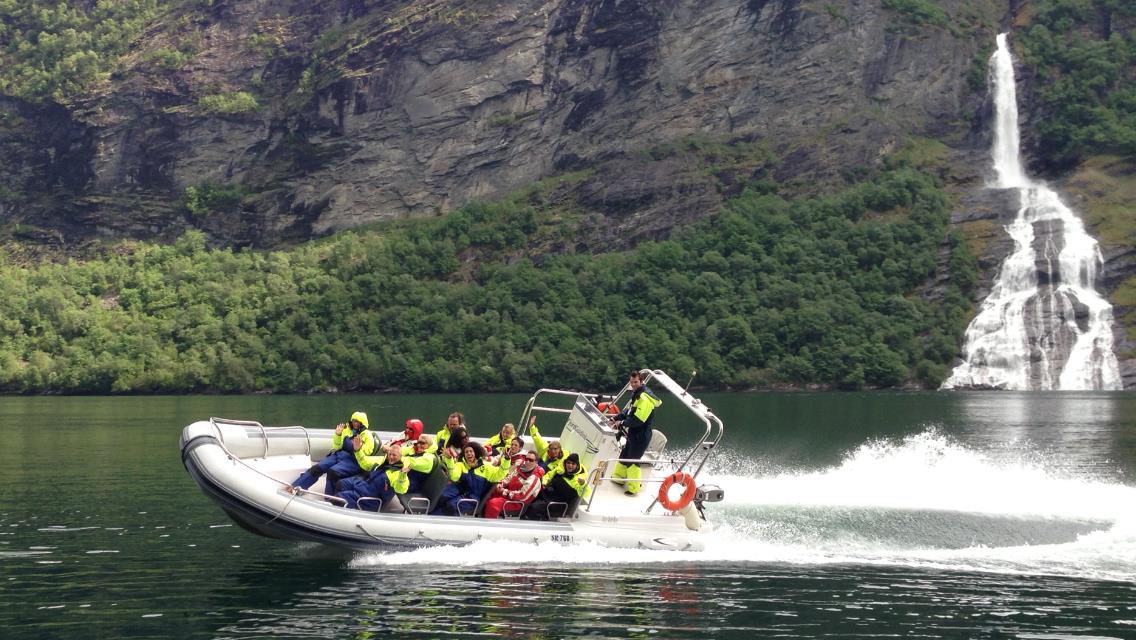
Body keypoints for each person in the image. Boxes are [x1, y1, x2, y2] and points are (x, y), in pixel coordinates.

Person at [287, 411, 375, 496]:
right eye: (354, 421)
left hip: (354, 460)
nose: (355, 423)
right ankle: (296, 487)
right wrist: (338, 435)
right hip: (340, 455)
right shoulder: (347, 430)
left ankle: (330, 499)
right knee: (318, 467)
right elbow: (337, 446)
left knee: (332, 472)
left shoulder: (367, 435)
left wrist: (358, 448)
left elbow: (368, 452)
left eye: (358, 422)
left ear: (362, 423)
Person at [612, 370, 662, 495]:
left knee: (633, 460)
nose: (633, 384)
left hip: (641, 436)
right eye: (631, 382)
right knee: (625, 453)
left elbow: (638, 420)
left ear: (641, 381)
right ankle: (619, 478)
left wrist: (622, 423)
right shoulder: (637, 394)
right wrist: (616, 418)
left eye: (635, 382)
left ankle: (634, 488)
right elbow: (629, 412)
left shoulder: (644, 398)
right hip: (634, 434)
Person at [434, 442, 510, 516]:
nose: (469, 453)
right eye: (466, 452)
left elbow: (500, 474)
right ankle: (428, 516)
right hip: (458, 493)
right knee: (441, 496)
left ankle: (432, 519)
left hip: (471, 500)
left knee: (451, 506)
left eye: (471, 451)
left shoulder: (486, 467)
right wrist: (449, 459)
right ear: (464, 455)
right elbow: (454, 476)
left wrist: (506, 459)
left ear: (475, 453)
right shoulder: (460, 465)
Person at [334, 444, 409, 510]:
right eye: (390, 454)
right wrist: (358, 450)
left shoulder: (398, 473)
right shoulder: (382, 461)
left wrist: (402, 475)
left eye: (394, 455)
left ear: (400, 456)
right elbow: (365, 462)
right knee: (340, 484)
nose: (391, 457)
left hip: (370, 500)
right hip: (363, 486)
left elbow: (401, 489)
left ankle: (343, 514)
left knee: (338, 498)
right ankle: (344, 507)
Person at [523, 452, 589, 520]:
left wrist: (583, 484)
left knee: (534, 507)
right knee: (529, 498)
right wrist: (544, 482)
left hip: (557, 504)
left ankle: (529, 519)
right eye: (568, 463)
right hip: (547, 495)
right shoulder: (561, 472)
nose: (570, 465)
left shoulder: (579, 479)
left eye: (573, 464)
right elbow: (548, 475)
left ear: (577, 466)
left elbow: (586, 493)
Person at [482, 451, 543, 519]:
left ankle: (490, 526)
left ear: (536, 462)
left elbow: (522, 496)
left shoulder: (534, 478)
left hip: (517, 504)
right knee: (487, 493)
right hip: (507, 496)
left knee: (493, 503)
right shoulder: (520, 469)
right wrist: (501, 484)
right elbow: (508, 479)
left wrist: (503, 491)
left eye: (531, 460)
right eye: (526, 459)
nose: (528, 461)